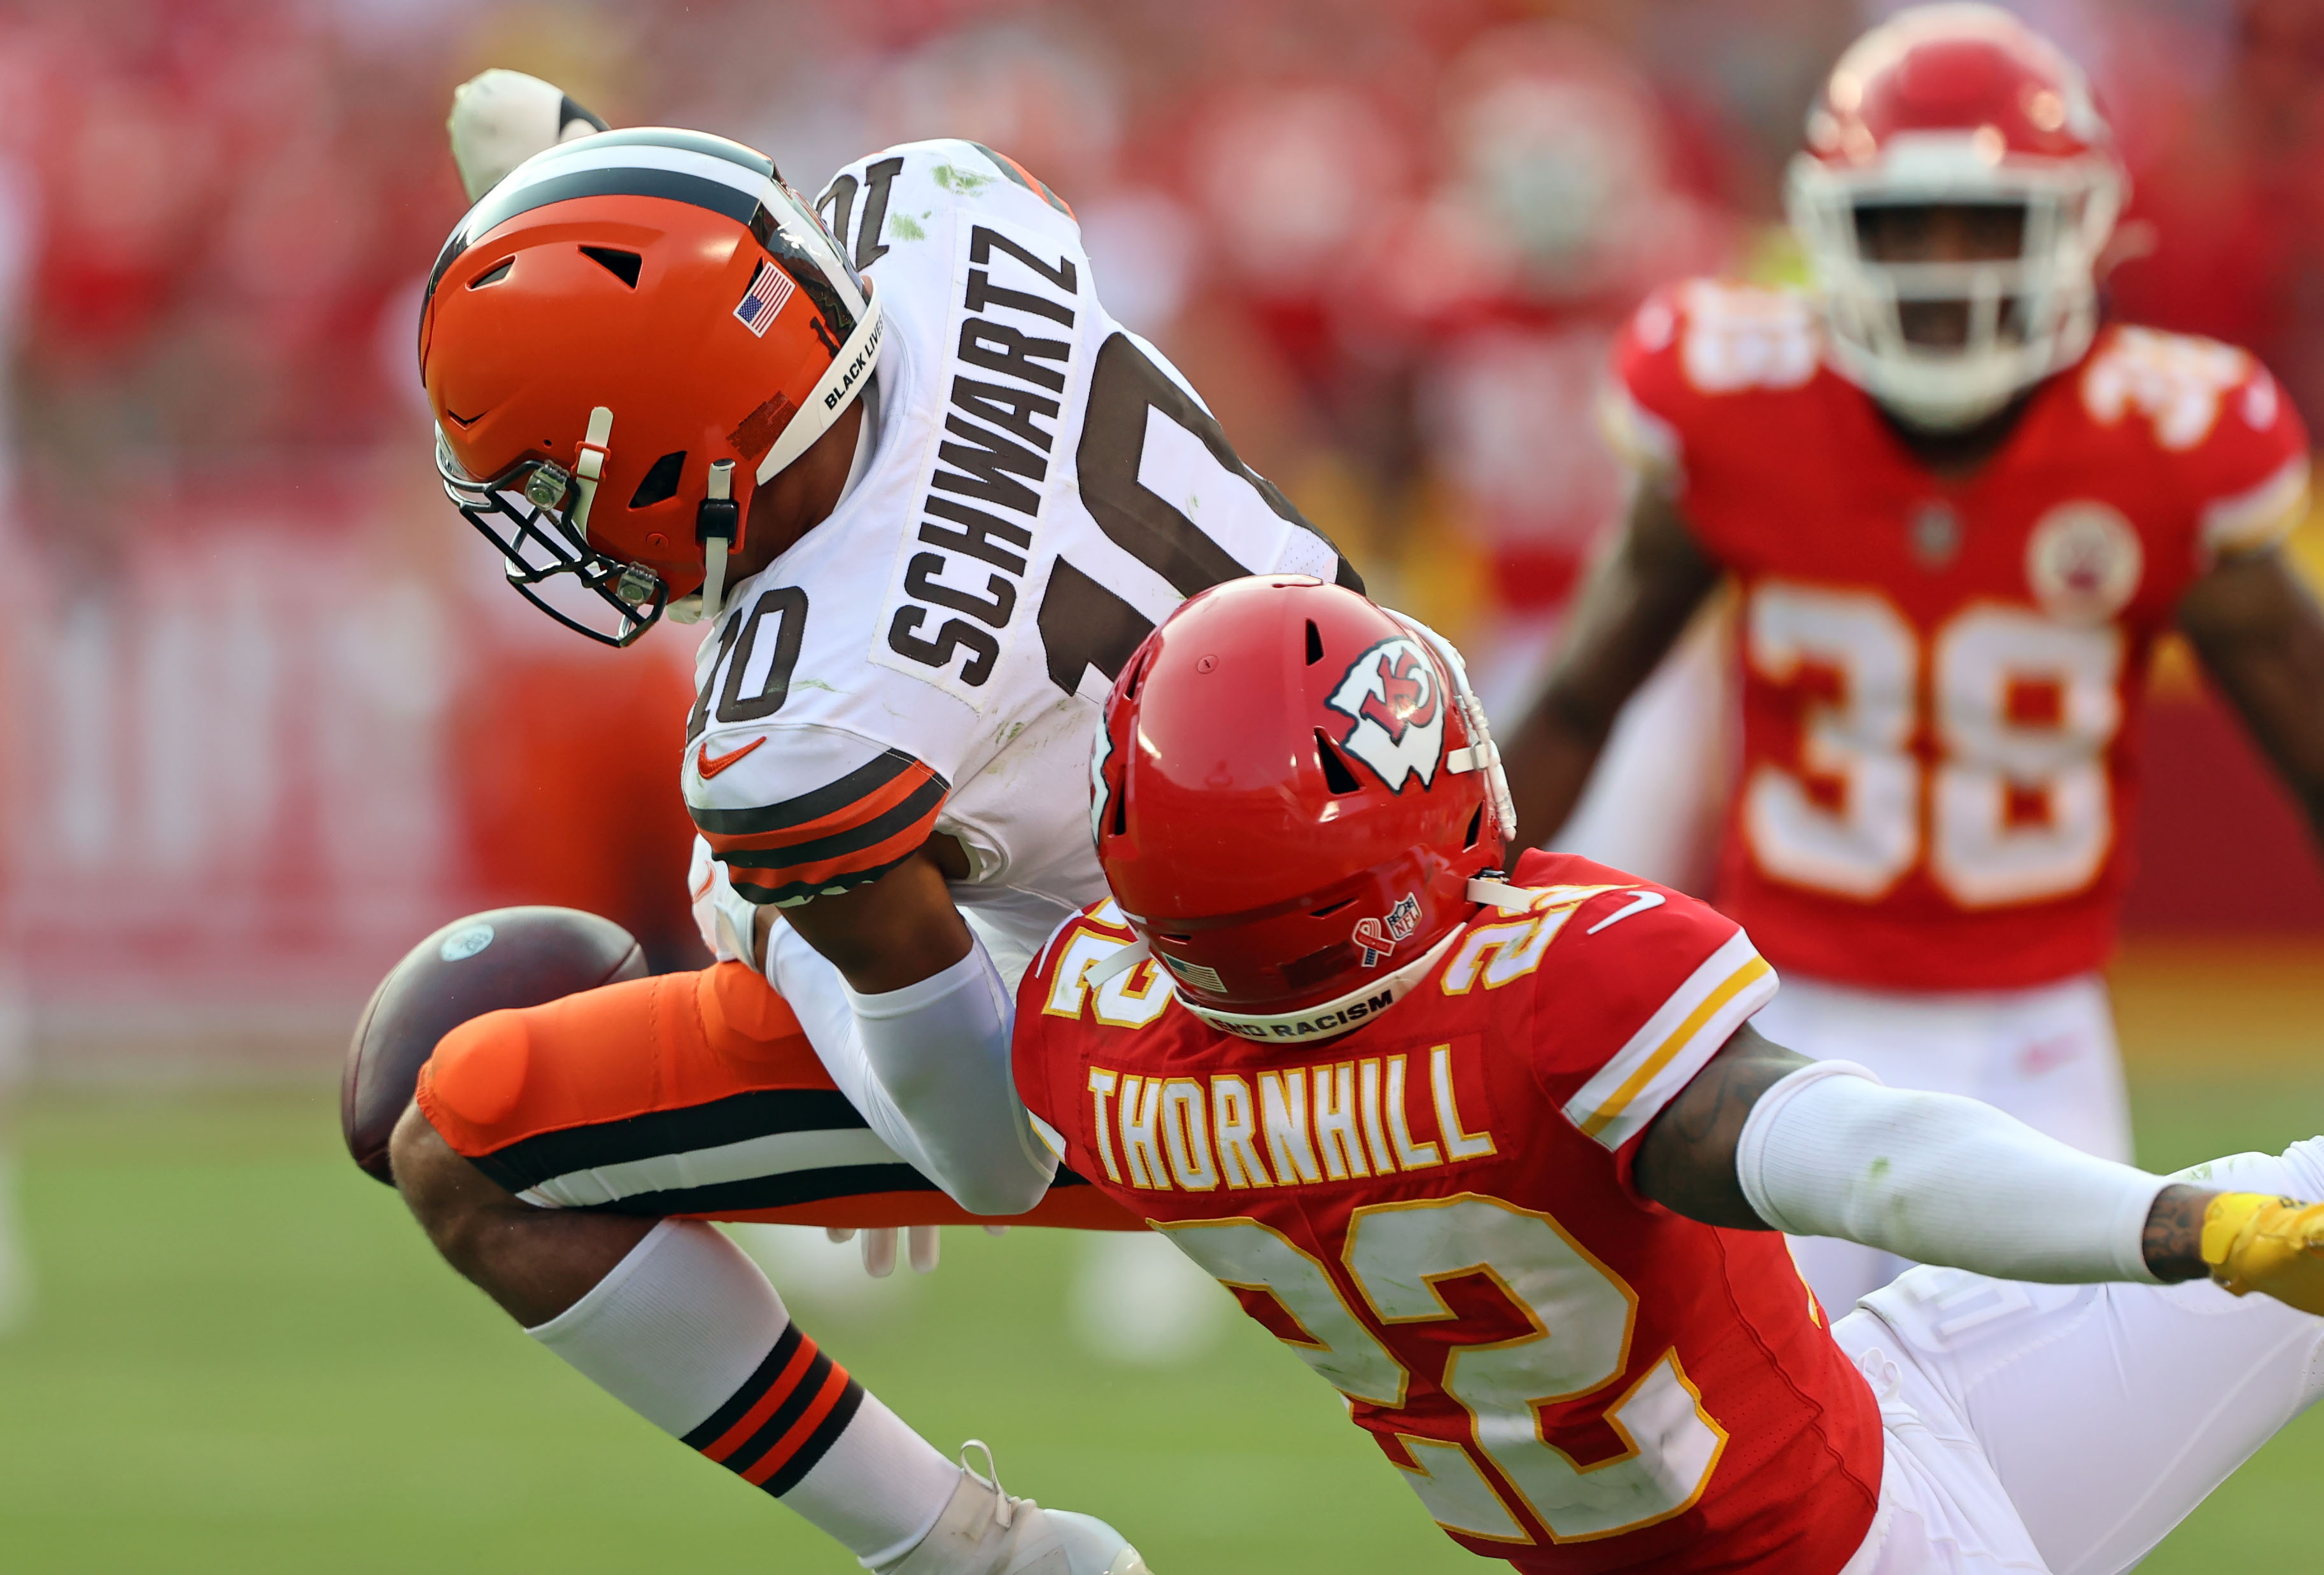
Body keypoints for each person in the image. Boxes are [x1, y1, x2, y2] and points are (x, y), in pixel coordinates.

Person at [385, 68, 1363, 1575]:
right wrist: (580, 173)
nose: (559, 525)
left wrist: (770, 920)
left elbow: (981, 1157)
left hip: (1209, 1045)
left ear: (668, 459)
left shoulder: (811, 729)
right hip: (1382, 799)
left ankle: (965, 1552)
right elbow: (731, 280)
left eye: (558, 482)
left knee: (456, 1133)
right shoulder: (941, 208)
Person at [1013, 573, 2324, 1574]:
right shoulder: (1539, 998)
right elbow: (1859, 1160)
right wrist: (2174, 1227)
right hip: (1833, 1542)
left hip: (1840, 1409)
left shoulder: (1091, 1040)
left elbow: (937, 1071)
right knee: (2264, 1223)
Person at [1497, 3, 2324, 1312]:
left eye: (1986, 225)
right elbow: (1578, 697)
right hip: (1780, 1022)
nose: (1945, 267)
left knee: (2039, 1484)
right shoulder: (1737, 402)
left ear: (2076, 228)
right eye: (1904, 225)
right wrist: (1432, 944)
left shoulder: (2162, 441)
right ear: (1830, 229)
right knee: (1779, 1469)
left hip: (2035, 1030)